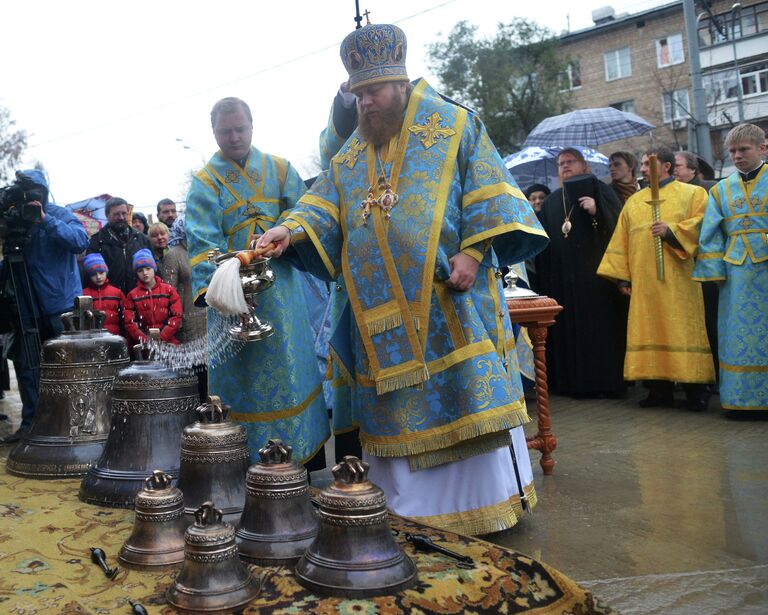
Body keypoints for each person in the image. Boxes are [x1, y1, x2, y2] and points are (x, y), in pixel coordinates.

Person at [257, 22, 548, 535]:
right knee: (393, 418)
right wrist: (287, 228)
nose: (365, 104)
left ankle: (484, 507)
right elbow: (323, 204)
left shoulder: (454, 125)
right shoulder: (353, 152)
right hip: (380, 320)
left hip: (448, 301)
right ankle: (409, 512)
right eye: (358, 95)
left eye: (373, 92)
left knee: (462, 396)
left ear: (400, 82)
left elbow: (490, 192)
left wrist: (474, 254)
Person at [186, 96, 330, 469]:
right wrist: (227, 290)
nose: (233, 137)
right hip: (232, 298)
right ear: (213, 132)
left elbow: (305, 215)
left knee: (291, 371)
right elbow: (202, 245)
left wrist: (288, 236)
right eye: (225, 131)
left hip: (282, 295)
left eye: (240, 129)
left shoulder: (281, 170)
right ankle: (245, 466)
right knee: (244, 383)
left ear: (252, 126)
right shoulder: (204, 183)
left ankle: (303, 463)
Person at [598, 147, 715, 411]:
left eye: (647, 163)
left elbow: (703, 225)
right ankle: (659, 391)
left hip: (680, 283)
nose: (641, 168)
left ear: (667, 167)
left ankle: (696, 391)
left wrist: (672, 231)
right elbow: (621, 240)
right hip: (645, 284)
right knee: (650, 331)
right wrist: (622, 279)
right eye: (640, 163)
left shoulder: (692, 194)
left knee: (683, 332)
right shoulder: (634, 201)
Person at [0, 169, 89, 443]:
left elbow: (80, 241)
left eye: (34, 192)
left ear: (44, 192)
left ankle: (76, 424)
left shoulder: (58, 214)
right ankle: (31, 424)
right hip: (27, 309)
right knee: (27, 367)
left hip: (60, 306)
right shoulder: (17, 220)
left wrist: (44, 220)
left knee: (66, 368)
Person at [535, 148, 627, 397]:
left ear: (584, 165)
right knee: (569, 331)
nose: (564, 167)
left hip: (597, 279)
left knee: (600, 331)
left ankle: (606, 384)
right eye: (560, 164)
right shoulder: (553, 201)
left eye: (570, 162)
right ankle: (572, 384)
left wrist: (598, 211)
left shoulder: (601, 190)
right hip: (564, 279)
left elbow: (620, 228)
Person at [693, 123, 768, 412]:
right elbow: (711, 232)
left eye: (743, 149)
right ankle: (740, 401)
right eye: (732, 151)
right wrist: (714, 272)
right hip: (735, 274)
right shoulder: (721, 189)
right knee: (737, 335)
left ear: (762, 148)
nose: (737, 156)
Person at [163, 215, 208, 400]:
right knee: (196, 369)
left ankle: (212, 405)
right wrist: (176, 320)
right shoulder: (174, 254)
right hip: (189, 319)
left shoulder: (204, 250)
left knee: (209, 366)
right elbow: (169, 292)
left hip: (208, 316)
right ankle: (197, 408)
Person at [86, 197, 151, 295]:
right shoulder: (96, 241)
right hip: (110, 300)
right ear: (107, 215)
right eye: (116, 214)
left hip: (139, 299)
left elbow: (152, 271)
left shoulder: (141, 239)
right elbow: (90, 276)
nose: (121, 217)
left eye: (124, 213)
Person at [123, 249, 182, 346]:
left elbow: (176, 316)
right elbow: (129, 322)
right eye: (140, 270)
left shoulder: (168, 290)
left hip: (169, 343)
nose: (145, 273)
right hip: (145, 345)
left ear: (154, 268)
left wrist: (162, 337)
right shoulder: (132, 295)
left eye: (148, 268)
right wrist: (144, 339)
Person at [81, 253, 124, 337]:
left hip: (114, 337)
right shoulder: (83, 294)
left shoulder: (116, 293)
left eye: (101, 273)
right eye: (94, 274)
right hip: (91, 338)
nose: (98, 277)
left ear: (106, 272)